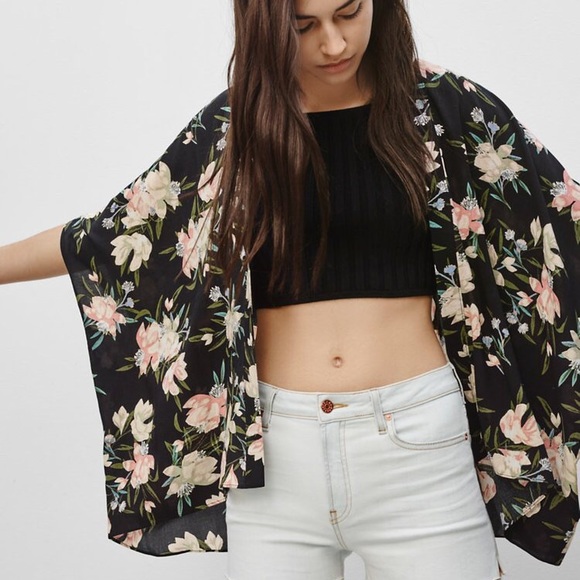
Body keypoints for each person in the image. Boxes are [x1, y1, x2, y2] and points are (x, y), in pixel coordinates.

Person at [1, 0, 579, 579]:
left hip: (418, 447)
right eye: (304, 26)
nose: (334, 44)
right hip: (275, 460)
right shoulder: (236, 127)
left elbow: (561, 212)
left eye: (348, 13)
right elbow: (115, 235)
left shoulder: (443, 108)